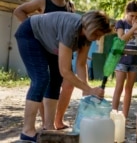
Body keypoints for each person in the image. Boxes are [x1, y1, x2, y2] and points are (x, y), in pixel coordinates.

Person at [15, 11, 112, 142]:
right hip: (30, 34)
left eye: (100, 36)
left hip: (48, 42)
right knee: (41, 78)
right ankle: (27, 131)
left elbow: (81, 64)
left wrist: (87, 93)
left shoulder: (87, 36)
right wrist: (90, 90)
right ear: (89, 26)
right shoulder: (71, 29)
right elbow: (65, 71)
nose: (97, 38)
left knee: (55, 80)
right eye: (96, 34)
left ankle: (48, 127)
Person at [13, 0, 76, 130]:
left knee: (60, 82)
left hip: (59, 49)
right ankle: (44, 123)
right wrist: (35, 32)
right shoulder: (43, 1)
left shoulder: (69, 5)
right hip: (41, 47)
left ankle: (55, 121)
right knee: (42, 81)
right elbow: (19, 11)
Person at [112, 0, 137, 120]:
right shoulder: (121, 23)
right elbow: (121, 40)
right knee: (119, 87)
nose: (134, 18)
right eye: (132, 16)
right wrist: (132, 29)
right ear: (126, 13)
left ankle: (124, 116)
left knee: (129, 89)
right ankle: (114, 113)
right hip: (121, 59)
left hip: (134, 60)